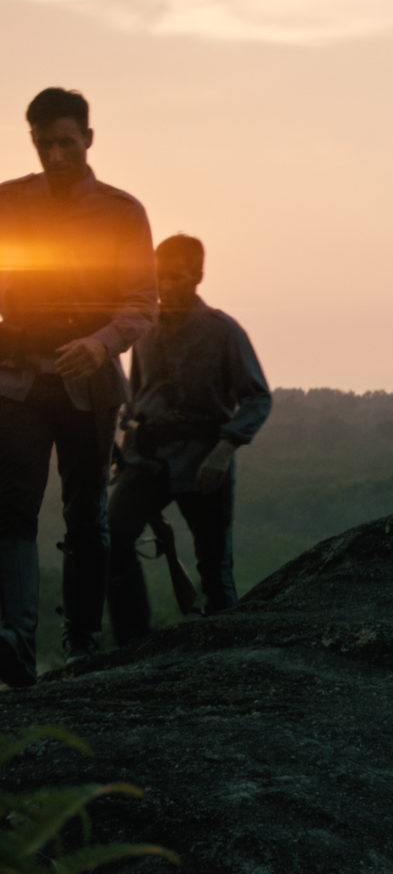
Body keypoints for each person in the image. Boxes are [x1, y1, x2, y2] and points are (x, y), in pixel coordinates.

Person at [0, 88, 156, 682]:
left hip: (88, 382)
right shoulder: (8, 202)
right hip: (16, 379)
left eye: (67, 142)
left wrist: (99, 343)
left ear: (88, 139)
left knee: (86, 513)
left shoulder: (121, 212)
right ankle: (16, 641)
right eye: (45, 145)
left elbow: (143, 303)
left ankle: (82, 643)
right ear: (33, 142)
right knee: (11, 513)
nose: (57, 156)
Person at [100, 234, 271, 642]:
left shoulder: (223, 331)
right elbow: (137, 394)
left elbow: (257, 397)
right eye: (160, 278)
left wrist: (224, 450)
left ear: (197, 276)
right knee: (111, 538)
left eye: (176, 277)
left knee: (213, 563)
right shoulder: (143, 327)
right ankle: (133, 643)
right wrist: (123, 447)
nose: (166, 286)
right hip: (147, 457)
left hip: (203, 454)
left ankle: (225, 649)